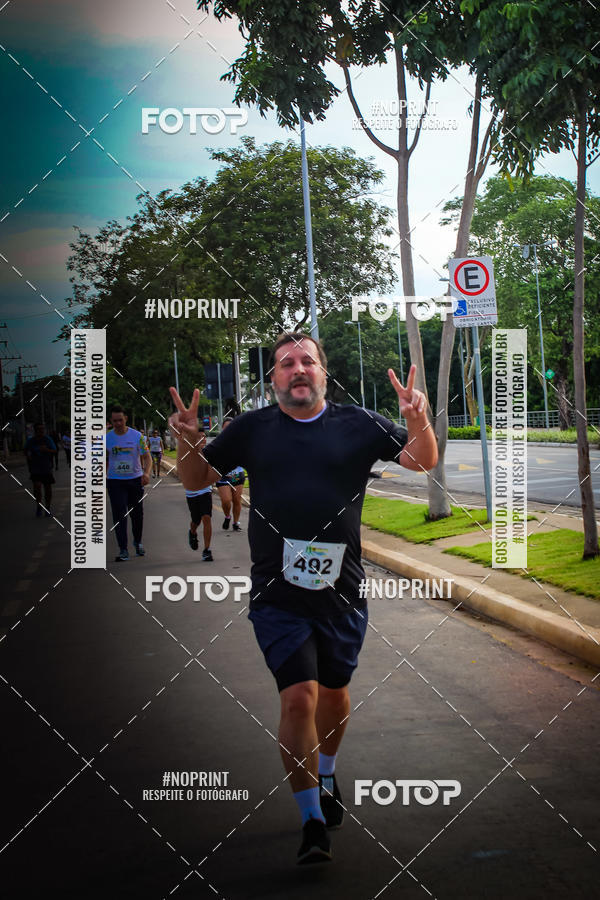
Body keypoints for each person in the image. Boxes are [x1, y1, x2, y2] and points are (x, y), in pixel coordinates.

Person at [168, 333, 437, 865]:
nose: (297, 369)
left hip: (343, 592)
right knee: (299, 698)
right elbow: (195, 479)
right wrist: (190, 438)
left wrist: (416, 420)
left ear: (322, 372)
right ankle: (312, 819)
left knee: (335, 693)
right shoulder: (252, 429)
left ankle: (329, 773)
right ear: (273, 379)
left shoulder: (356, 423)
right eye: (286, 363)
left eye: (306, 361)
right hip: (276, 593)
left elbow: (420, 462)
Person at [106, 406, 151, 561]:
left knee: (137, 514)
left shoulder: (138, 436)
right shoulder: (107, 438)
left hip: (134, 480)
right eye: (114, 421)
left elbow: (147, 457)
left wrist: (146, 473)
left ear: (125, 418)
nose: (118, 423)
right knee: (119, 515)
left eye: (120, 420)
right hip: (115, 482)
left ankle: (138, 542)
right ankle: (123, 549)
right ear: (111, 421)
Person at [215, 417, 245, 532]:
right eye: (226, 427)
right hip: (223, 476)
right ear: (222, 428)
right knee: (226, 500)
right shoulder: (218, 442)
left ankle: (235, 523)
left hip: (237, 475)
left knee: (237, 501)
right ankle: (227, 516)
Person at [25, 423, 57, 517]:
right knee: (37, 487)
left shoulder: (48, 439)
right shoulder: (31, 440)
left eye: (43, 429)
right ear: (35, 431)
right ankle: (39, 506)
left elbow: (55, 450)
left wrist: (46, 450)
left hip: (46, 467)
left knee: (48, 488)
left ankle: (47, 507)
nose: (41, 431)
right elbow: (25, 450)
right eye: (39, 429)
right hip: (35, 468)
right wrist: (28, 456)